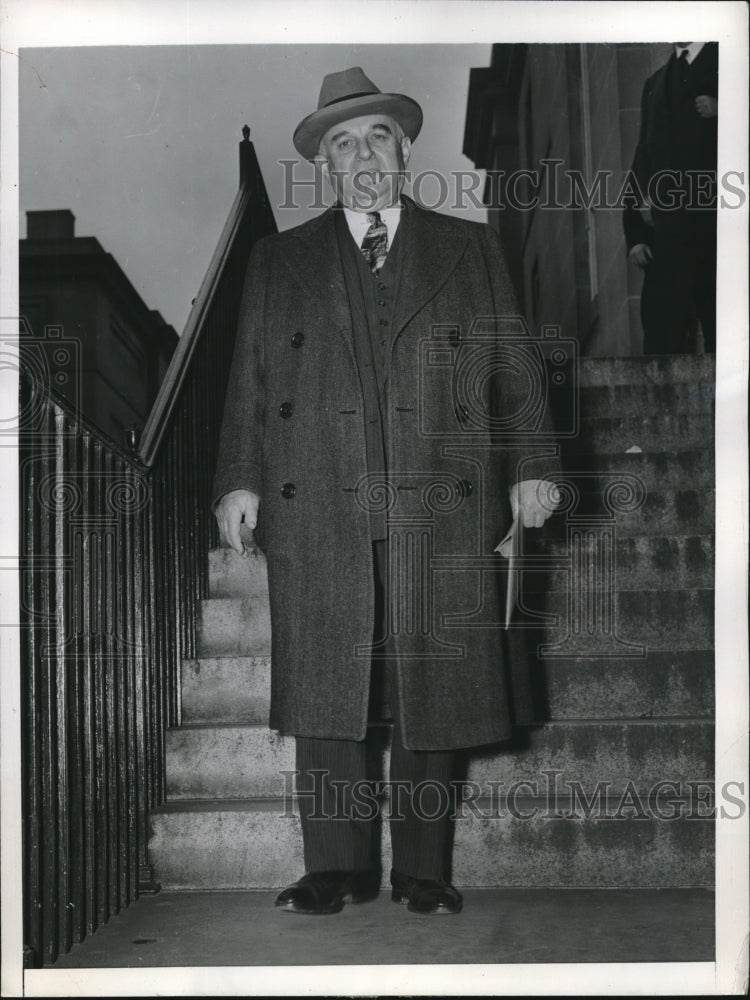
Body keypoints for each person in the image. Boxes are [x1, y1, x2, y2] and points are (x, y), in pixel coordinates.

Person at [212, 67, 559, 916]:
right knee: (329, 693)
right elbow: (250, 381)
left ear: (403, 150)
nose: (361, 155)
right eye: (342, 143)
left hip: (439, 496)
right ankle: (336, 867)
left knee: (429, 688)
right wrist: (237, 478)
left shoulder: (467, 246)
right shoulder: (279, 259)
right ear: (325, 165)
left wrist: (533, 465)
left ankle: (425, 870)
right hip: (319, 495)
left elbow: (510, 366)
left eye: (376, 137)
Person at [623, 42, 718, 354]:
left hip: (720, 223)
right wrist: (636, 232)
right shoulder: (655, 83)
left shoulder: (732, 58)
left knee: (726, 325)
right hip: (669, 229)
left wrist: (725, 110)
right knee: (661, 326)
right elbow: (643, 155)